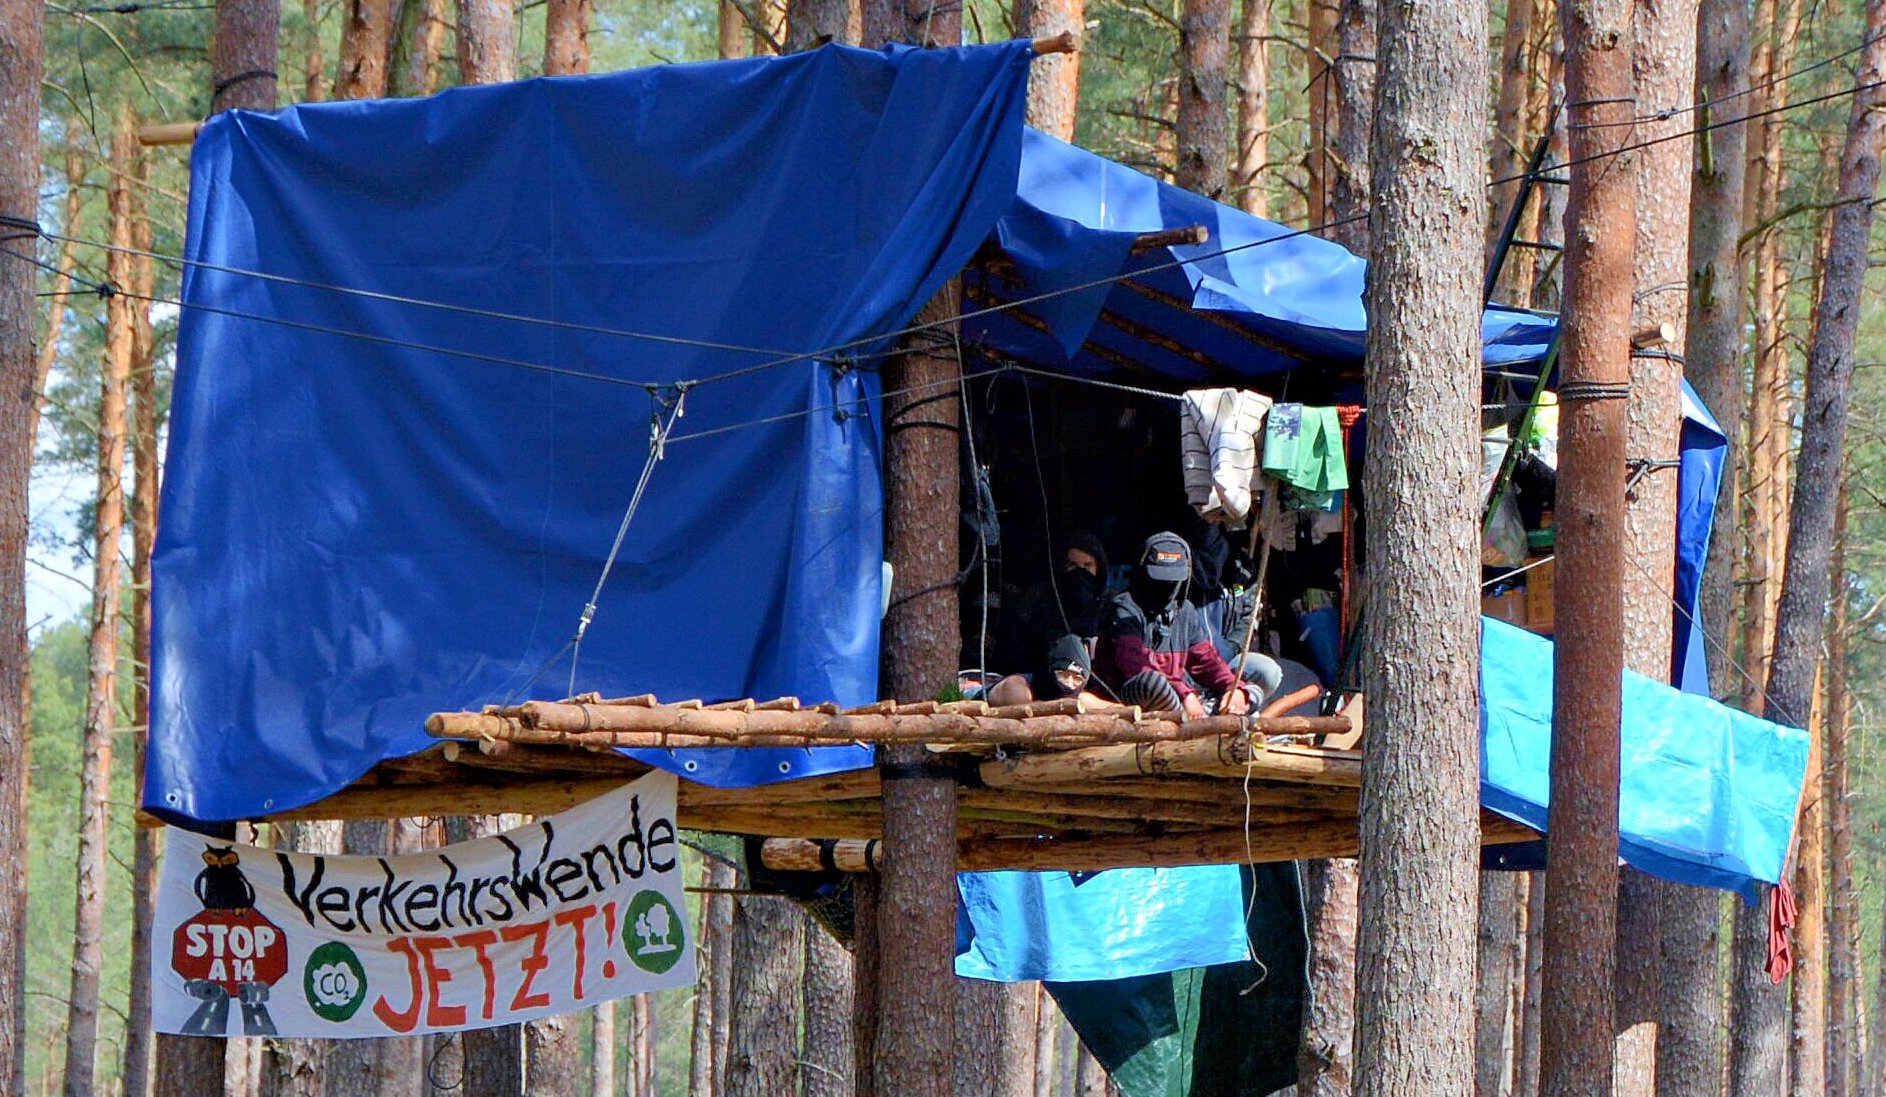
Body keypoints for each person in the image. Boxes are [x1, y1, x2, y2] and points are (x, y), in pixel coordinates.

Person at [1093, 532, 1254, 719]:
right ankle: (1188, 719)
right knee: (1151, 683)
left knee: (1251, 688)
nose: (1166, 586)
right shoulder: (1124, 609)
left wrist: (1233, 688)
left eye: (1173, 580)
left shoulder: (1184, 611)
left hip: (1177, 699)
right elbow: (1135, 666)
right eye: (1159, 580)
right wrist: (1184, 692)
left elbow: (1207, 661)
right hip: (1130, 701)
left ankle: (1208, 716)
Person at [995, 530, 1111, 673]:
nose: (1080, 572)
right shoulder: (1037, 598)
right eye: (1073, 565)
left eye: (1087, 566)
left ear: (1098, 568)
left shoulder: (1109, 604)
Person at [985, 633, 1103, 707]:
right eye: (1062, 675)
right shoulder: (1017, 687)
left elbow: (1114, 710)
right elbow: (1033, 713)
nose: (1069, 684)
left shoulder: (1079, 696)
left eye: (1077, 678)